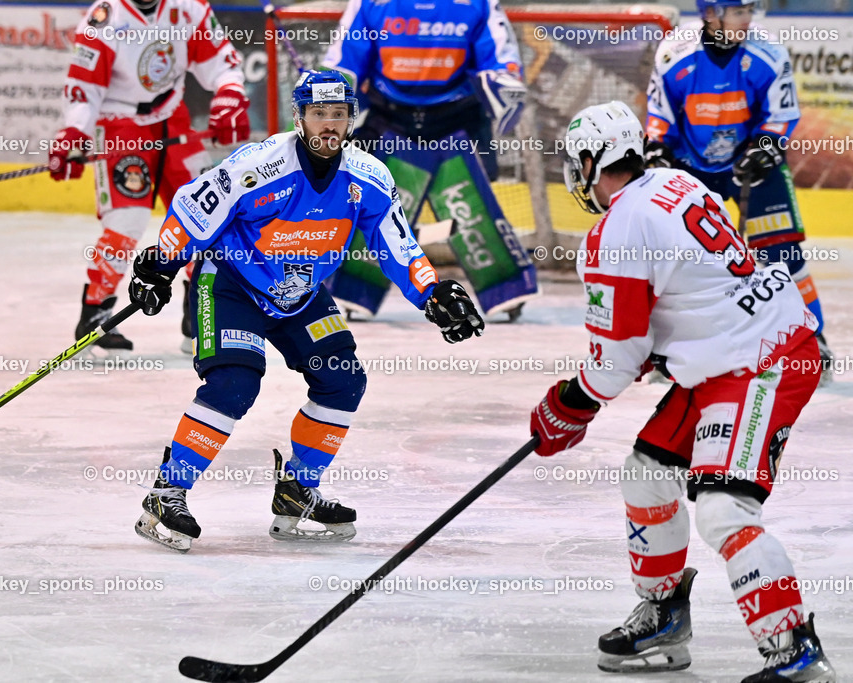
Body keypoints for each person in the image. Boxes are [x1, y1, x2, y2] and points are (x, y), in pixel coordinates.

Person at [530, 101, 836, 682]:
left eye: (577, 164)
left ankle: (793, 654)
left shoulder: (615, 230)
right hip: (735, 349)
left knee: (724, 508)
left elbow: (615, 362)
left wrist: (568, 402)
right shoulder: (674, 181)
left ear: (593, 163)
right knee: (646, 472)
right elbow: (688, 293)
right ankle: (666, 618)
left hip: (759, 359)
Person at [127, 70, 485, 552]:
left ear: (350, 120)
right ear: (299, 118)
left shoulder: (368, 177)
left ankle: (298, 489)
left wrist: (432, 292)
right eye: (319, 115)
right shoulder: (260, 165)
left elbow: (396, 244)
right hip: (233, 283)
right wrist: (161, 264)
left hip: (301, 293)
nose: (328, 126)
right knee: (235, 383)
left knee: (343, 378)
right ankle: (168, 491)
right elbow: (196, 206)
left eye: (338, 115)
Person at [645, 0, 833, 383]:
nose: (747, 20)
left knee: (783, 255)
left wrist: (765, 147)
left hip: (750, 163)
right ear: (711, 14)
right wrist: (658, 149)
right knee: (677, 258)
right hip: (690, 165)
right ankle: (674, 348)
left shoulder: (767, 53)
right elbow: (660, 116)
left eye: (750, 10)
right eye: (738, 12)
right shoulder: (674, 54)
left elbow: (780, 115)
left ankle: (813, 341)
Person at [48, 0, 250, 350]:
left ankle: (199, 313)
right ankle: (95, 311)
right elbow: (84, 84)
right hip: (119, 124)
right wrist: (74, 132)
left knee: (207, 215)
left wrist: (229, 96)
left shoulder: (189, 7)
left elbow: (221, 59)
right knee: (126, 221)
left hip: (173, 118)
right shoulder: (106, 16)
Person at [318, 0, 538, 321]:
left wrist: (504, 81)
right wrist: (330, 91)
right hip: (390, 115)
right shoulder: (369, 3)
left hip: (458, 115)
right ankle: (355, 287)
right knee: (379, 205)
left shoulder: (478, 3)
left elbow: (501, 59)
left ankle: (504, 287)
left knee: (467, 208)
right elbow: (345, 61)